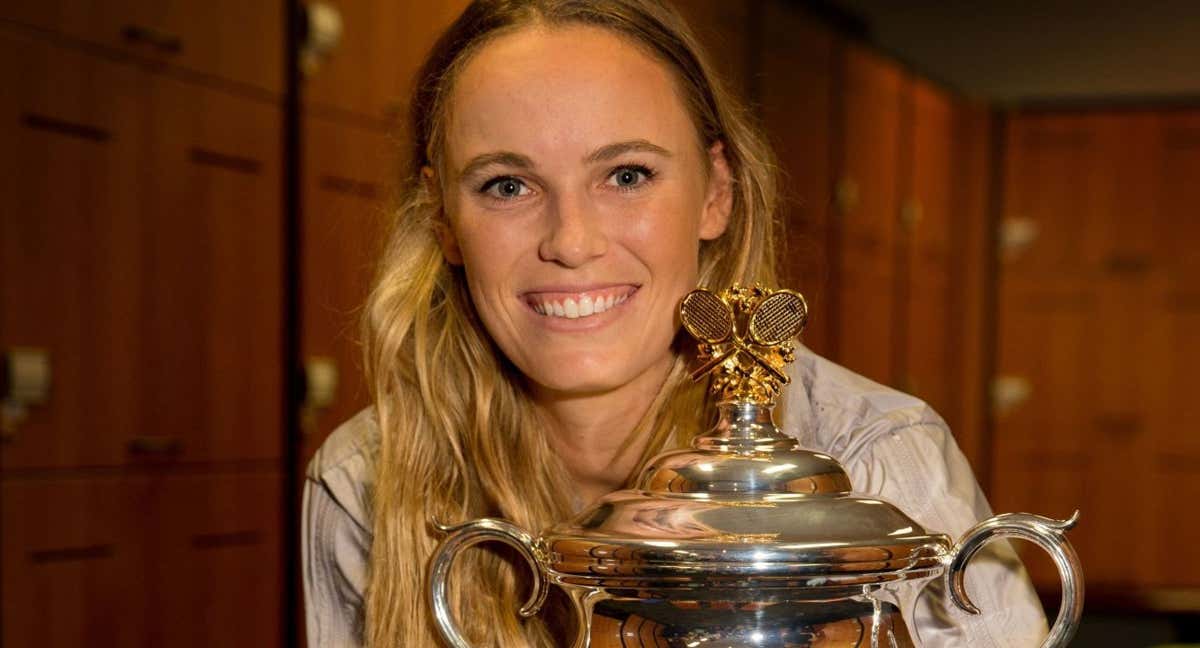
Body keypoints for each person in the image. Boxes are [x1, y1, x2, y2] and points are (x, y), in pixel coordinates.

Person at [302, 1, 1049, 646]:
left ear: (715, 193)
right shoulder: (365, 480)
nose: (571, 241)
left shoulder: (878, 460)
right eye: (507, 184)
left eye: (627, 176)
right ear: (444, 217)